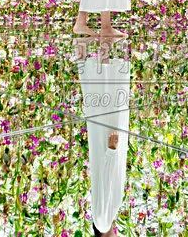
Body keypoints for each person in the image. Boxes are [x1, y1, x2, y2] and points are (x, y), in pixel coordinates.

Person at [78, 51, 130, 237]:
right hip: (109, 151)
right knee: (105, 104)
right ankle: (87, 47)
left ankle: (103, 45)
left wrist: (111, 150)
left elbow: (105, 184)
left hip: (109, 149)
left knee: (108, 104)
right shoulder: (104, 221)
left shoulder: (103, 222)